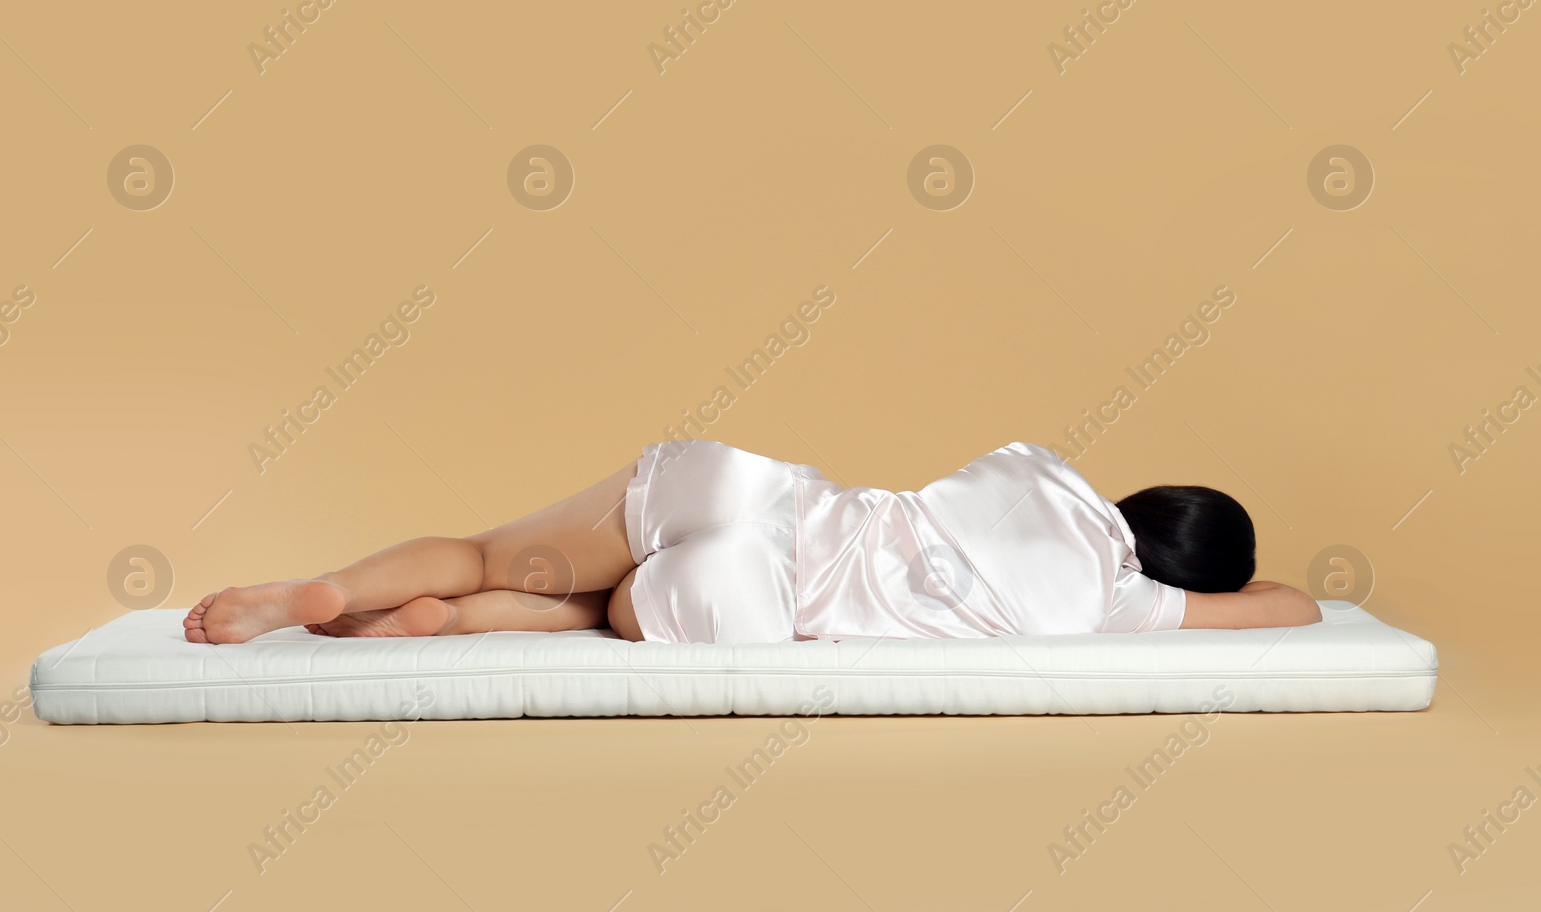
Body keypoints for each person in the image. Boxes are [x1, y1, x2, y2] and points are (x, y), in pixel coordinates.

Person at [183, 439, 1320, 646]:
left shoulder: (1046, 471)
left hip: (749, 491)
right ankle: (435, 629)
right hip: (739, 597)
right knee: (595, 615)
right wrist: (1219, 583)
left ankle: (324, 588)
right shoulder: (1112, 604)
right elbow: (1290, 606)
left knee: (486, 550)